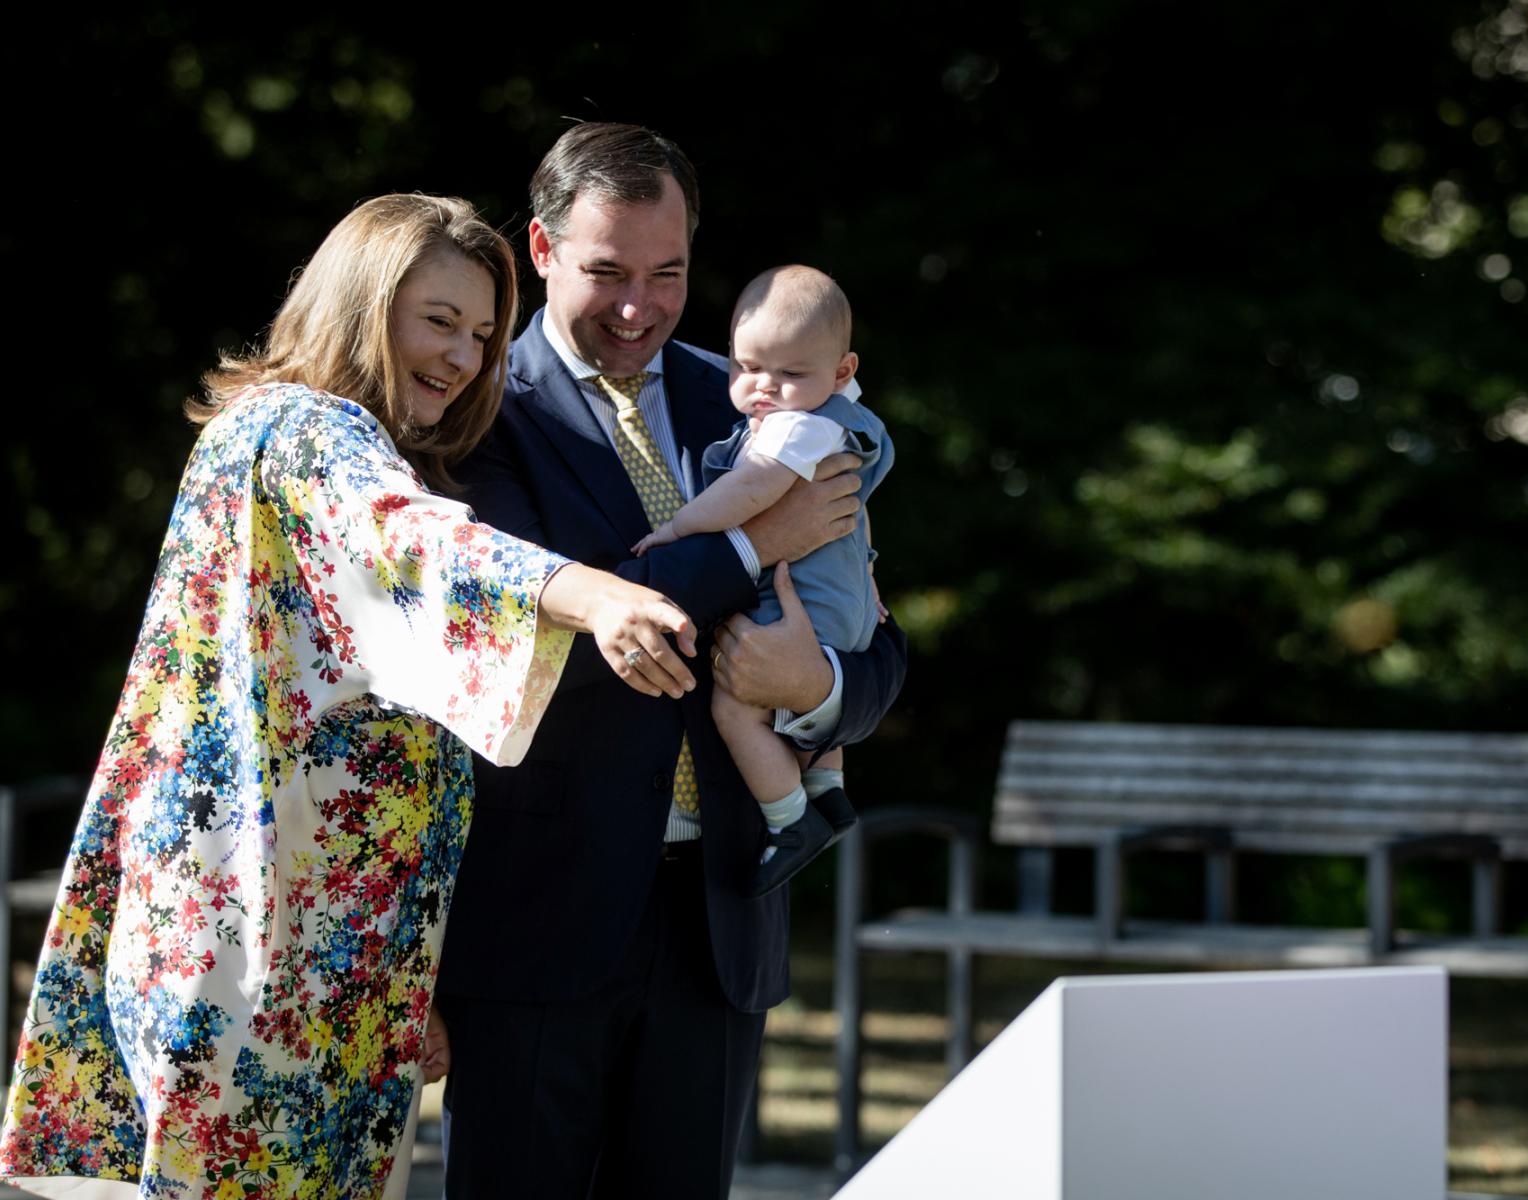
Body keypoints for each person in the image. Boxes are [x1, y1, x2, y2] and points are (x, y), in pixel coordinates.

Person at [0, 194, 696, 1200]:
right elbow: (410, 539)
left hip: (294, 944)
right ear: (362, 306)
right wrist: (588, 593)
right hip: (262, 949)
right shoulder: (307, 433)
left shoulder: (280, 438)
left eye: (482, 334)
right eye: (438, 319)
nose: (462, 358)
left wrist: (413, 973)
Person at [435, 124, 908, 1200]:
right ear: (541, 250)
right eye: (607, 272)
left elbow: (870, 638)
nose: (640, 309)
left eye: (669, 274)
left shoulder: (758, 392)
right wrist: (748, 547)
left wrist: (819, 691)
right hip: (535, 924)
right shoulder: (475, 414)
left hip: (719, 924)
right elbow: (542, 642)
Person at [632, 265, 893, 897]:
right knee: (809, 674)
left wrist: (678, 529)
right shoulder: (841, 420)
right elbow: (855, 515)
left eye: (790, 374)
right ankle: (827, 789)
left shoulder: (796, 426)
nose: (764, 389)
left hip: (804, 601)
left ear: (842, 372)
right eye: (746, 367)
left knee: (738, 705)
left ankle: (790, 819)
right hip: (849, 599)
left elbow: (749, 491)